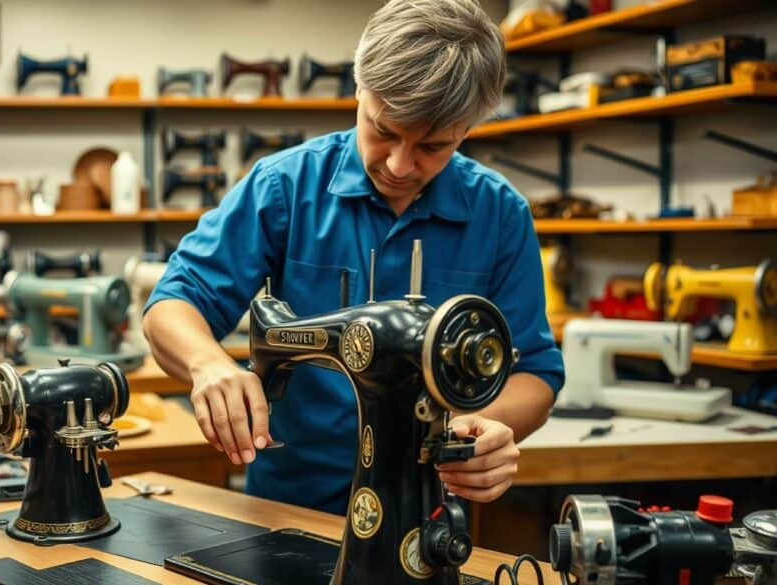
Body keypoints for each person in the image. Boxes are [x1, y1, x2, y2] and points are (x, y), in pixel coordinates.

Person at [143, 0, 564, 515]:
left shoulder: (499, 215)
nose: (399, 164)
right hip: (285, 506)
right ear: (360, 88)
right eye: (383, 130)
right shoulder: (284, 187)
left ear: (469, 128)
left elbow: (535, 370)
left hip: (424, 505)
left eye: (432, 146)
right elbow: (175, 301)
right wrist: (208, 365)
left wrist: (494, 425)